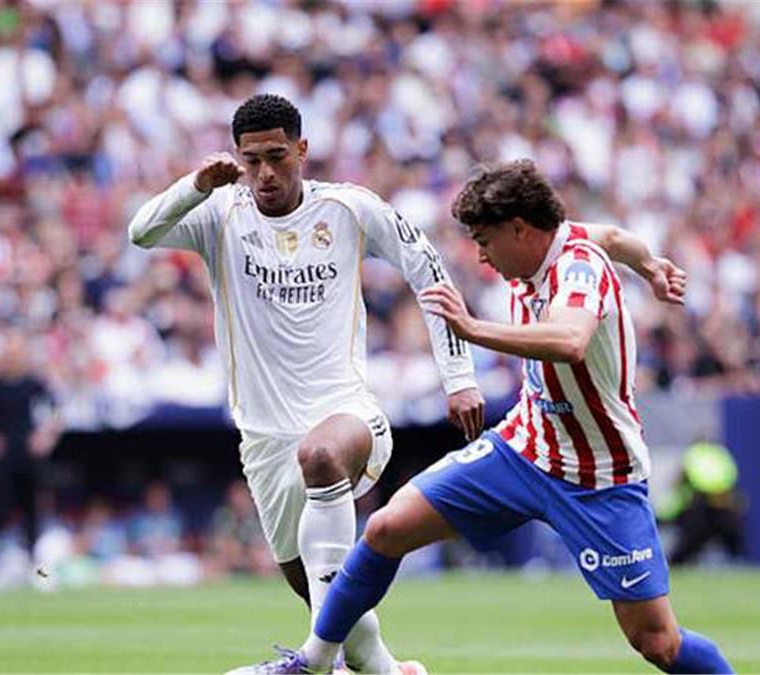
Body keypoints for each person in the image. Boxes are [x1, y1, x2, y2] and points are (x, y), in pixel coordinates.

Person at [132, 96, 684, 675]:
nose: (265, 173)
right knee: (329, 589)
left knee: (321, 458)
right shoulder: (220, 214)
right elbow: (142, 232)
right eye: (252, 161)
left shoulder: (348, 208)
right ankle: (386, 670)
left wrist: (459, 376)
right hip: (264, 436)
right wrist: (196, 185)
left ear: (302, 150)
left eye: (277, 156)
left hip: (347, 415)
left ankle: (311, 664)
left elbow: (428, 268)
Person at [252, 160, 732, 674]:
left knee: (657, 642)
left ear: (520, 229)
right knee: (387, 527)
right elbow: (614, 236)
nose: (481, 256)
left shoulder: (578, 268)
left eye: (485, 241)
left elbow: (570, 340)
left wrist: (472, 328)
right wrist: (650, 264)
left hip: (597, 476)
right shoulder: (555, 242)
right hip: (525, 448)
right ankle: (313, 662)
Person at [0, 328, 61, 565]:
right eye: (10, 353)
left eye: (18, 353)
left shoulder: (33, 383)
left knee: (32, 510)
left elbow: (57, 411)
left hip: (27, 455)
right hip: (1, 457)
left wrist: (46, 437)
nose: (14, 358)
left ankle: (36, 566)